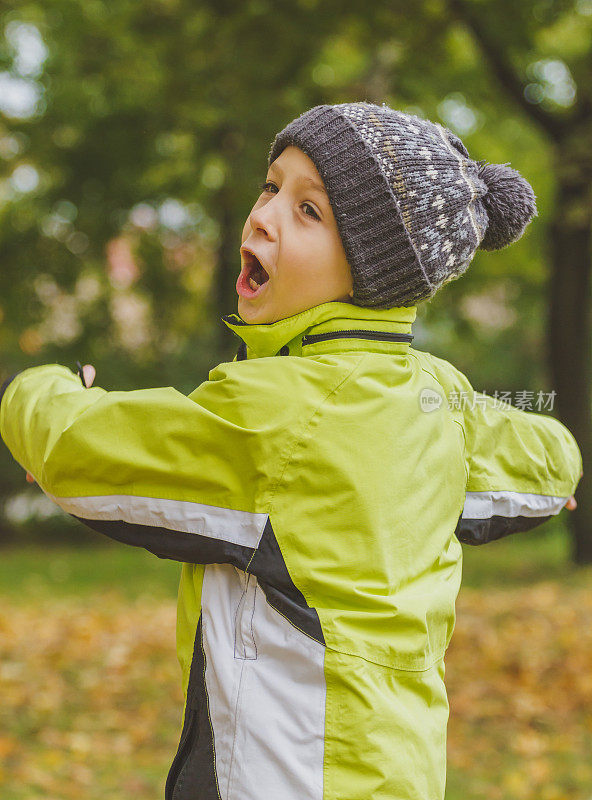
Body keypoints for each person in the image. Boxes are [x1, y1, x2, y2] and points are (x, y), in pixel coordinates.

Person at [0, 101, 582, 800]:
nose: (265, 215)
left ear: (372, 274)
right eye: (272, 186)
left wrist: (40, 388)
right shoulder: (435, 399)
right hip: (401, 774)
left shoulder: (278, 415)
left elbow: (76, 450)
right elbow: (549, 458)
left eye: (310, 212)